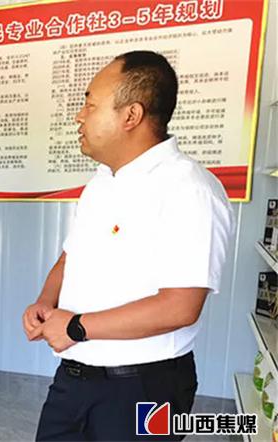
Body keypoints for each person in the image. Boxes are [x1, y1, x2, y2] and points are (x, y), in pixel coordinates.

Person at [22, 51, 234, 441]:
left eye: (90, 105)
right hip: (74, 377)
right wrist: (45, 301)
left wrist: (76, 326)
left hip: (143, 389)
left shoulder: (189, 189)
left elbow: (180, 306)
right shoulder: (101, 182)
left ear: (131, 115)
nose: (79, 117)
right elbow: (72, 255)